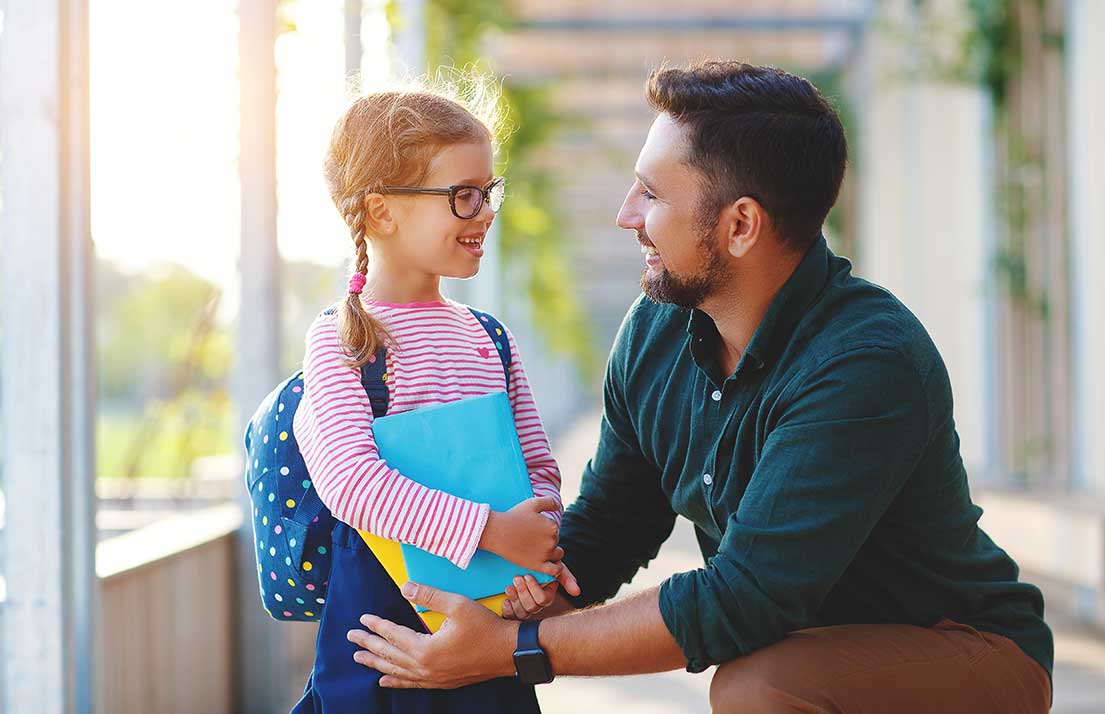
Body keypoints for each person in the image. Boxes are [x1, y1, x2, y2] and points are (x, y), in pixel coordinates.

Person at [347, 60, 1053, 714]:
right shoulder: (656, 331)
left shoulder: (867, 362)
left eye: (651, 194)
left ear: (740, 224)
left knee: (758, 687)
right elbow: (608, 530)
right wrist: (497, 607)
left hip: (965, 647)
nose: (627, 214)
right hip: (805, 645)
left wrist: (515, 652)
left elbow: (743, 600)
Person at [287, 79, 579, 713]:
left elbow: (538, 469)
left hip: (490, 629)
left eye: (488, 192)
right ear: (381, 210)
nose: (485, 211)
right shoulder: (343, 338)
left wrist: (537, 553)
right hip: (381, 639)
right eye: (463, 196)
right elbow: (351, 482)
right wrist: (494, 533)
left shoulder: (489, 337)